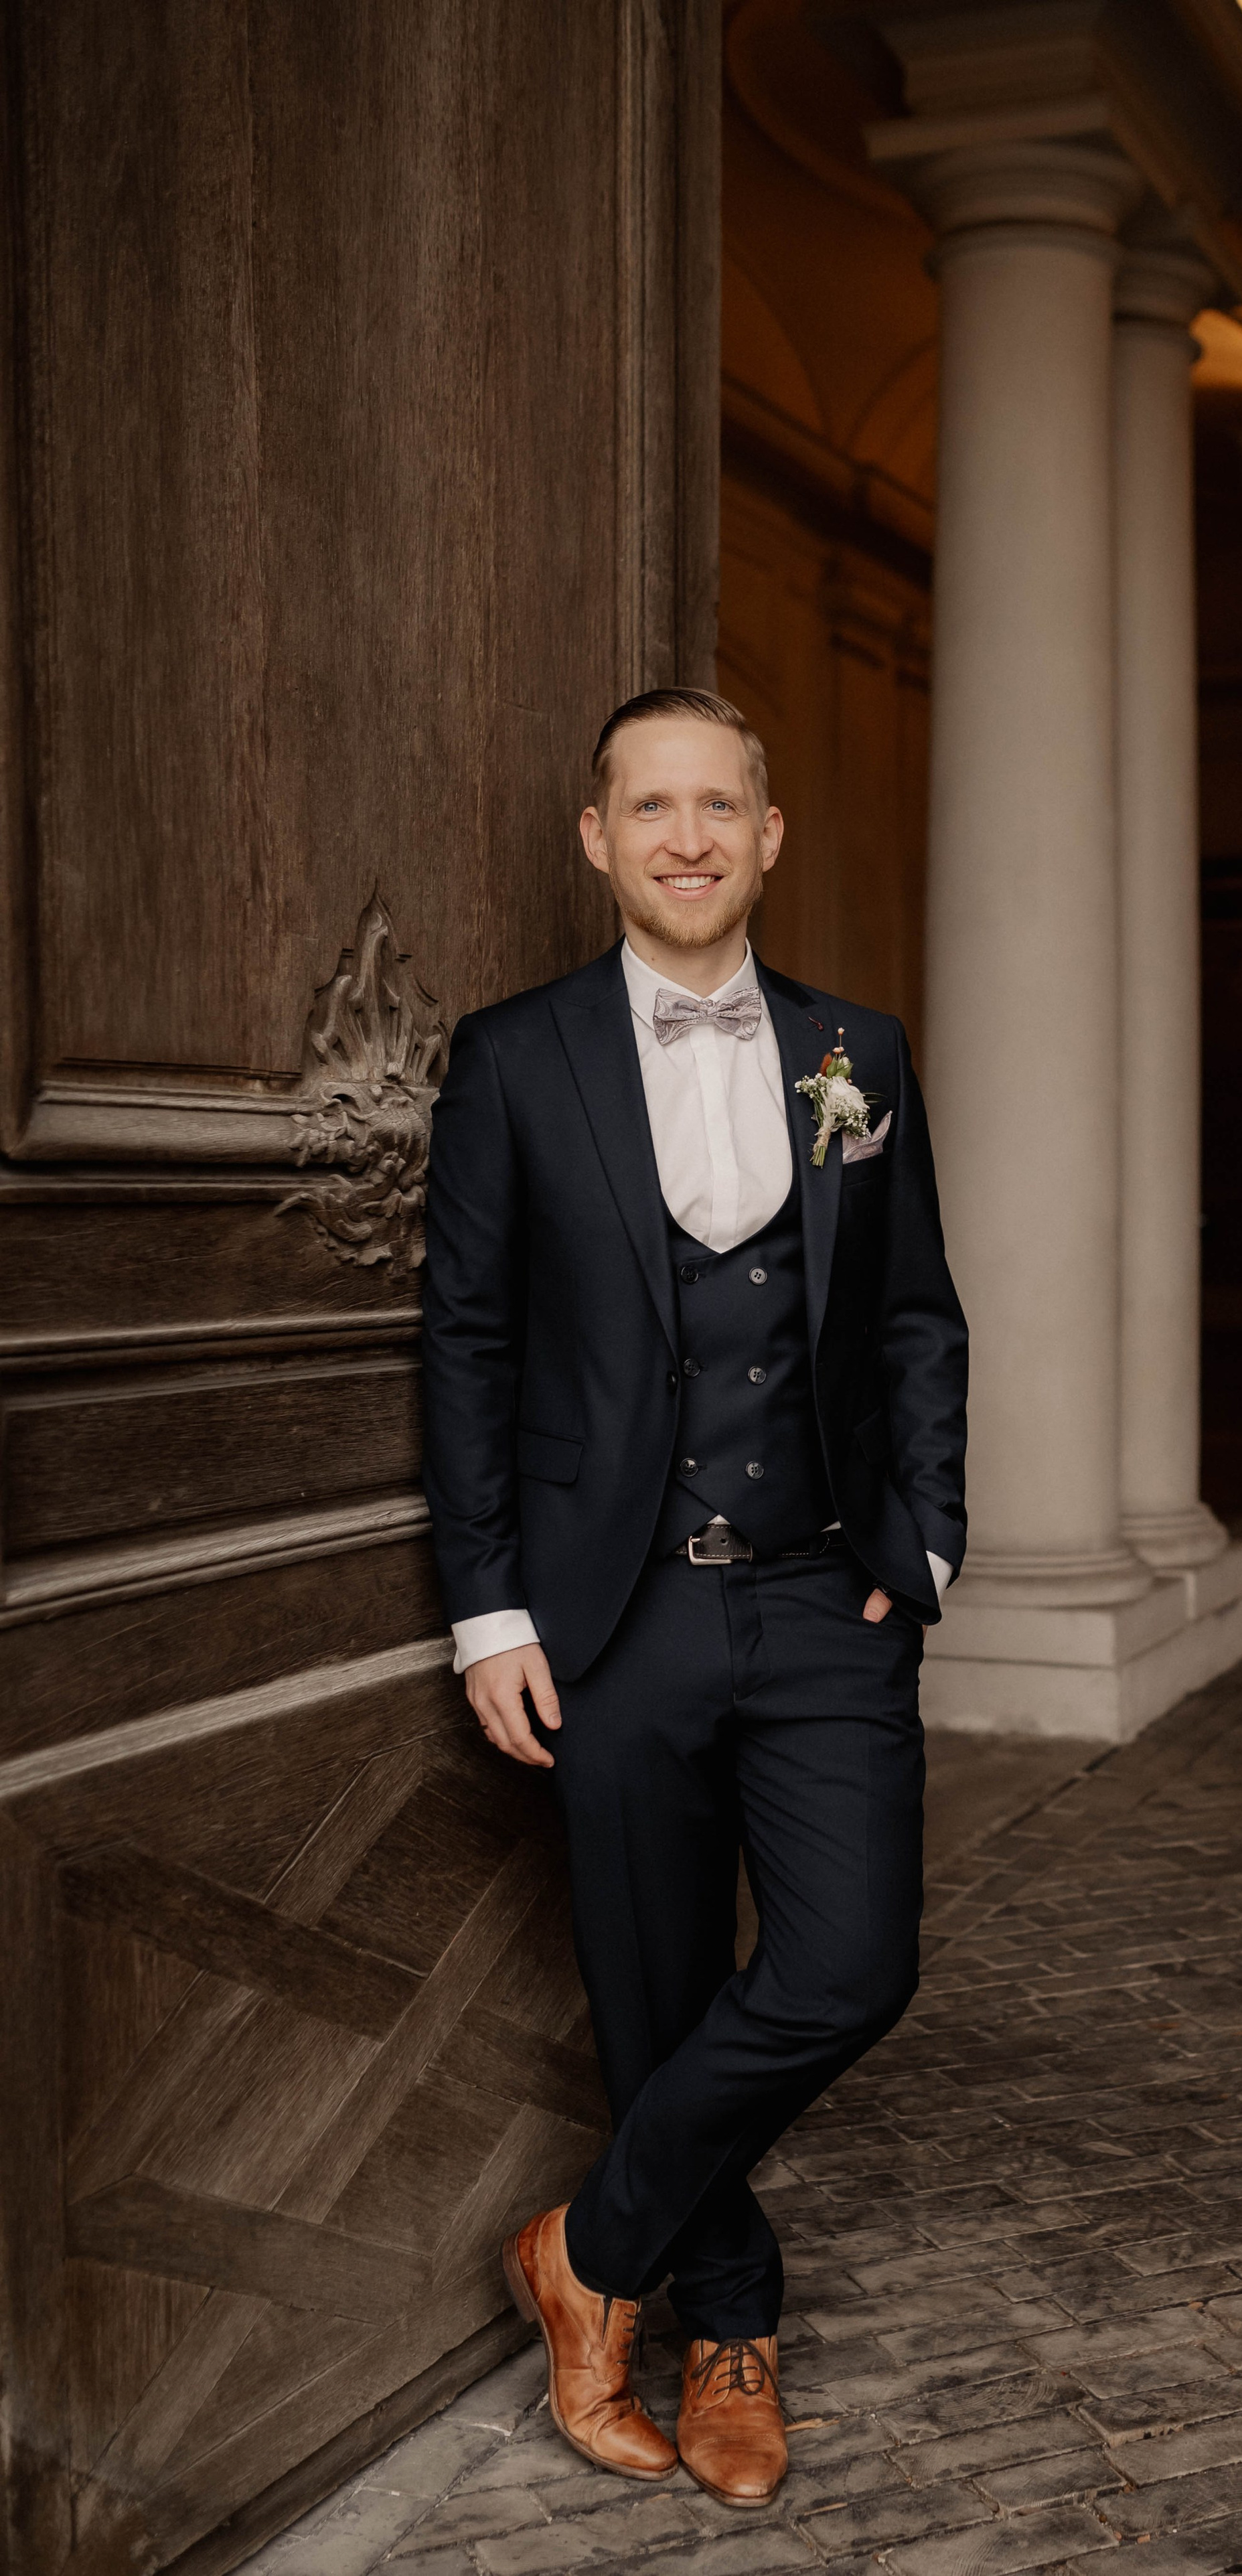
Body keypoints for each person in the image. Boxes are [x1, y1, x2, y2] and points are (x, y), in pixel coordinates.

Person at [420, 688, 967, 2509]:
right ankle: (730, 2320)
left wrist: (926, 1540)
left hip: (825, 1599)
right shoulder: (513, 1060)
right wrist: (490, 1609)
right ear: (598, 837)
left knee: (845, 1966)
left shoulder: (858, 1055)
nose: (684, 836)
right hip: (614, 1612)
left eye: (716, 804)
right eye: (648, 807)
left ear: (768, 829)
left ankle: (588, 2257)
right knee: (655, 1995)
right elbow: (471, 1345)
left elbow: (912, 1323)